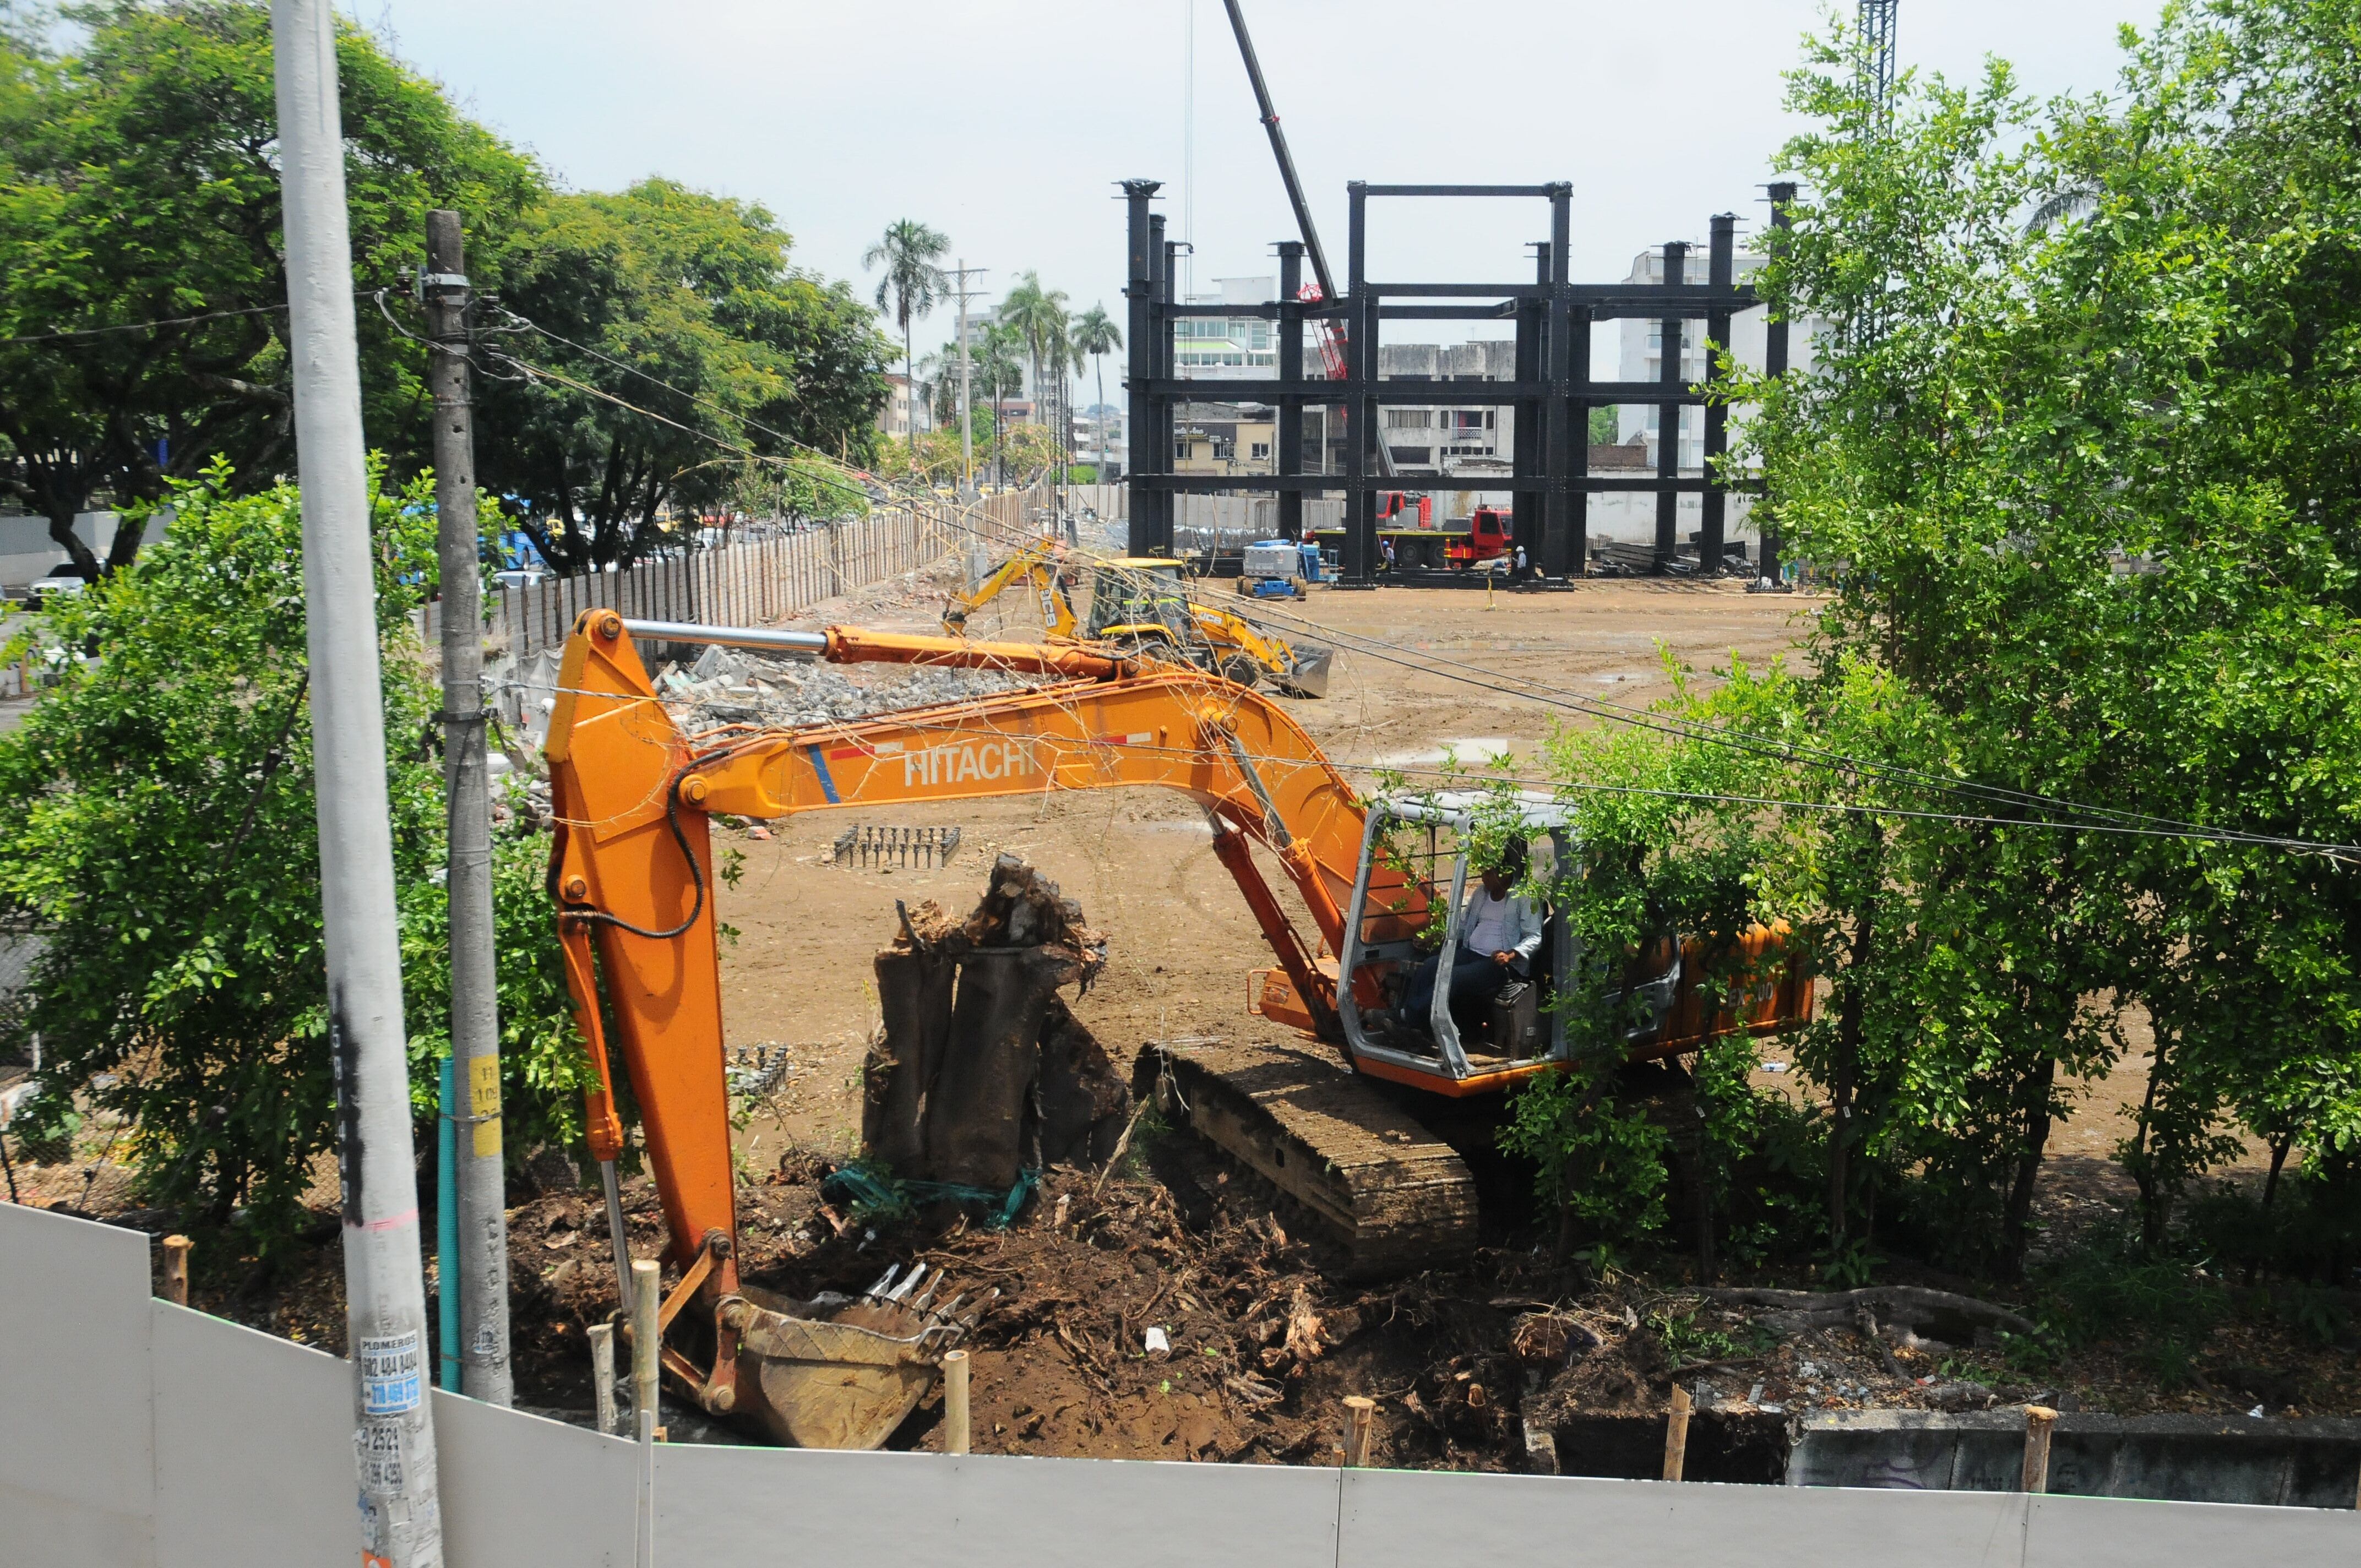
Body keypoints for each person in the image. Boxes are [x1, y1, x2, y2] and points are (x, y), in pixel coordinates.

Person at [1397, 842, 1543, 1035]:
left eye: (1488, 873)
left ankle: (1407, 1019)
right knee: (1431, 966)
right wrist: (1437, 936)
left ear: (1504, 873)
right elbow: (1463, 925)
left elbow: (1534, 936)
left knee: (1453, 976)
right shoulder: (1481, 894)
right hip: (1471, 953)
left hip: (1500, 964)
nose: (1483, 878)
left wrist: (1510, 955)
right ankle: (1418, 1023)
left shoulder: (1524, 897)